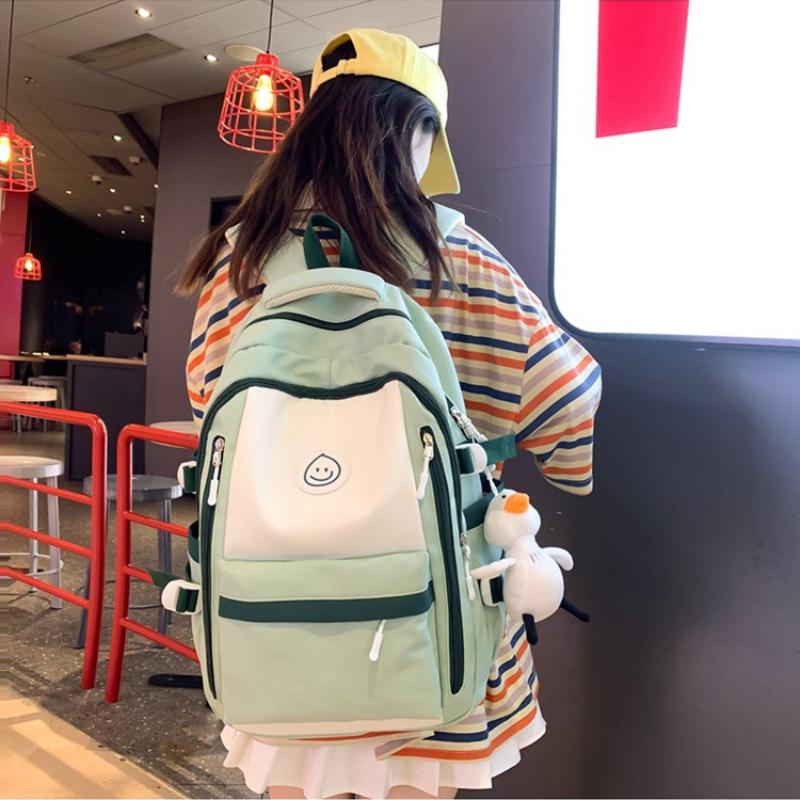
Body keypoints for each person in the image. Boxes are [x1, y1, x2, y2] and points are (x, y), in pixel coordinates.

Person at [179, 28, 601, 800]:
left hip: (272, 622)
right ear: (421, 134)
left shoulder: (239, 260)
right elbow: (566, 401)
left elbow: (210, 406)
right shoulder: (461, 258)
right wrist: (557, 462)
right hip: (437, 620)